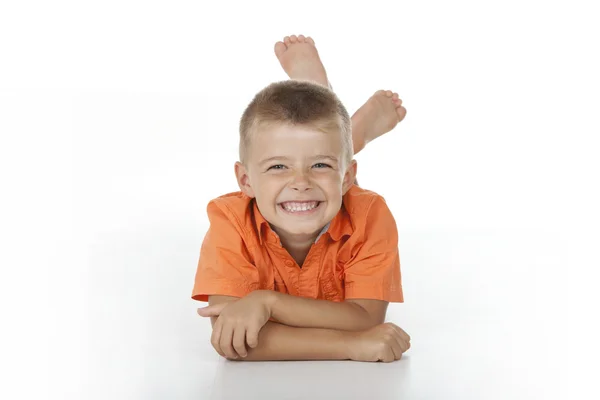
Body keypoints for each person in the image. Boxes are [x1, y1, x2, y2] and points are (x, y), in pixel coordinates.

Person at [192, 34, 411, 363]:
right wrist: (351, 345)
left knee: (323, 168)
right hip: (333, 170)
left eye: (319, 165)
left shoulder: (370, 214)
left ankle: (336, 125)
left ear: (349, 177)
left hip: (343, 186)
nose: (300, 183)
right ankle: (346, 127)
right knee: (318, 152)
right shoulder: (230, 220)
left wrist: (268, 303)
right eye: (277, 166)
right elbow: (233, 339)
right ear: (245, 181)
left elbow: (366, 318)